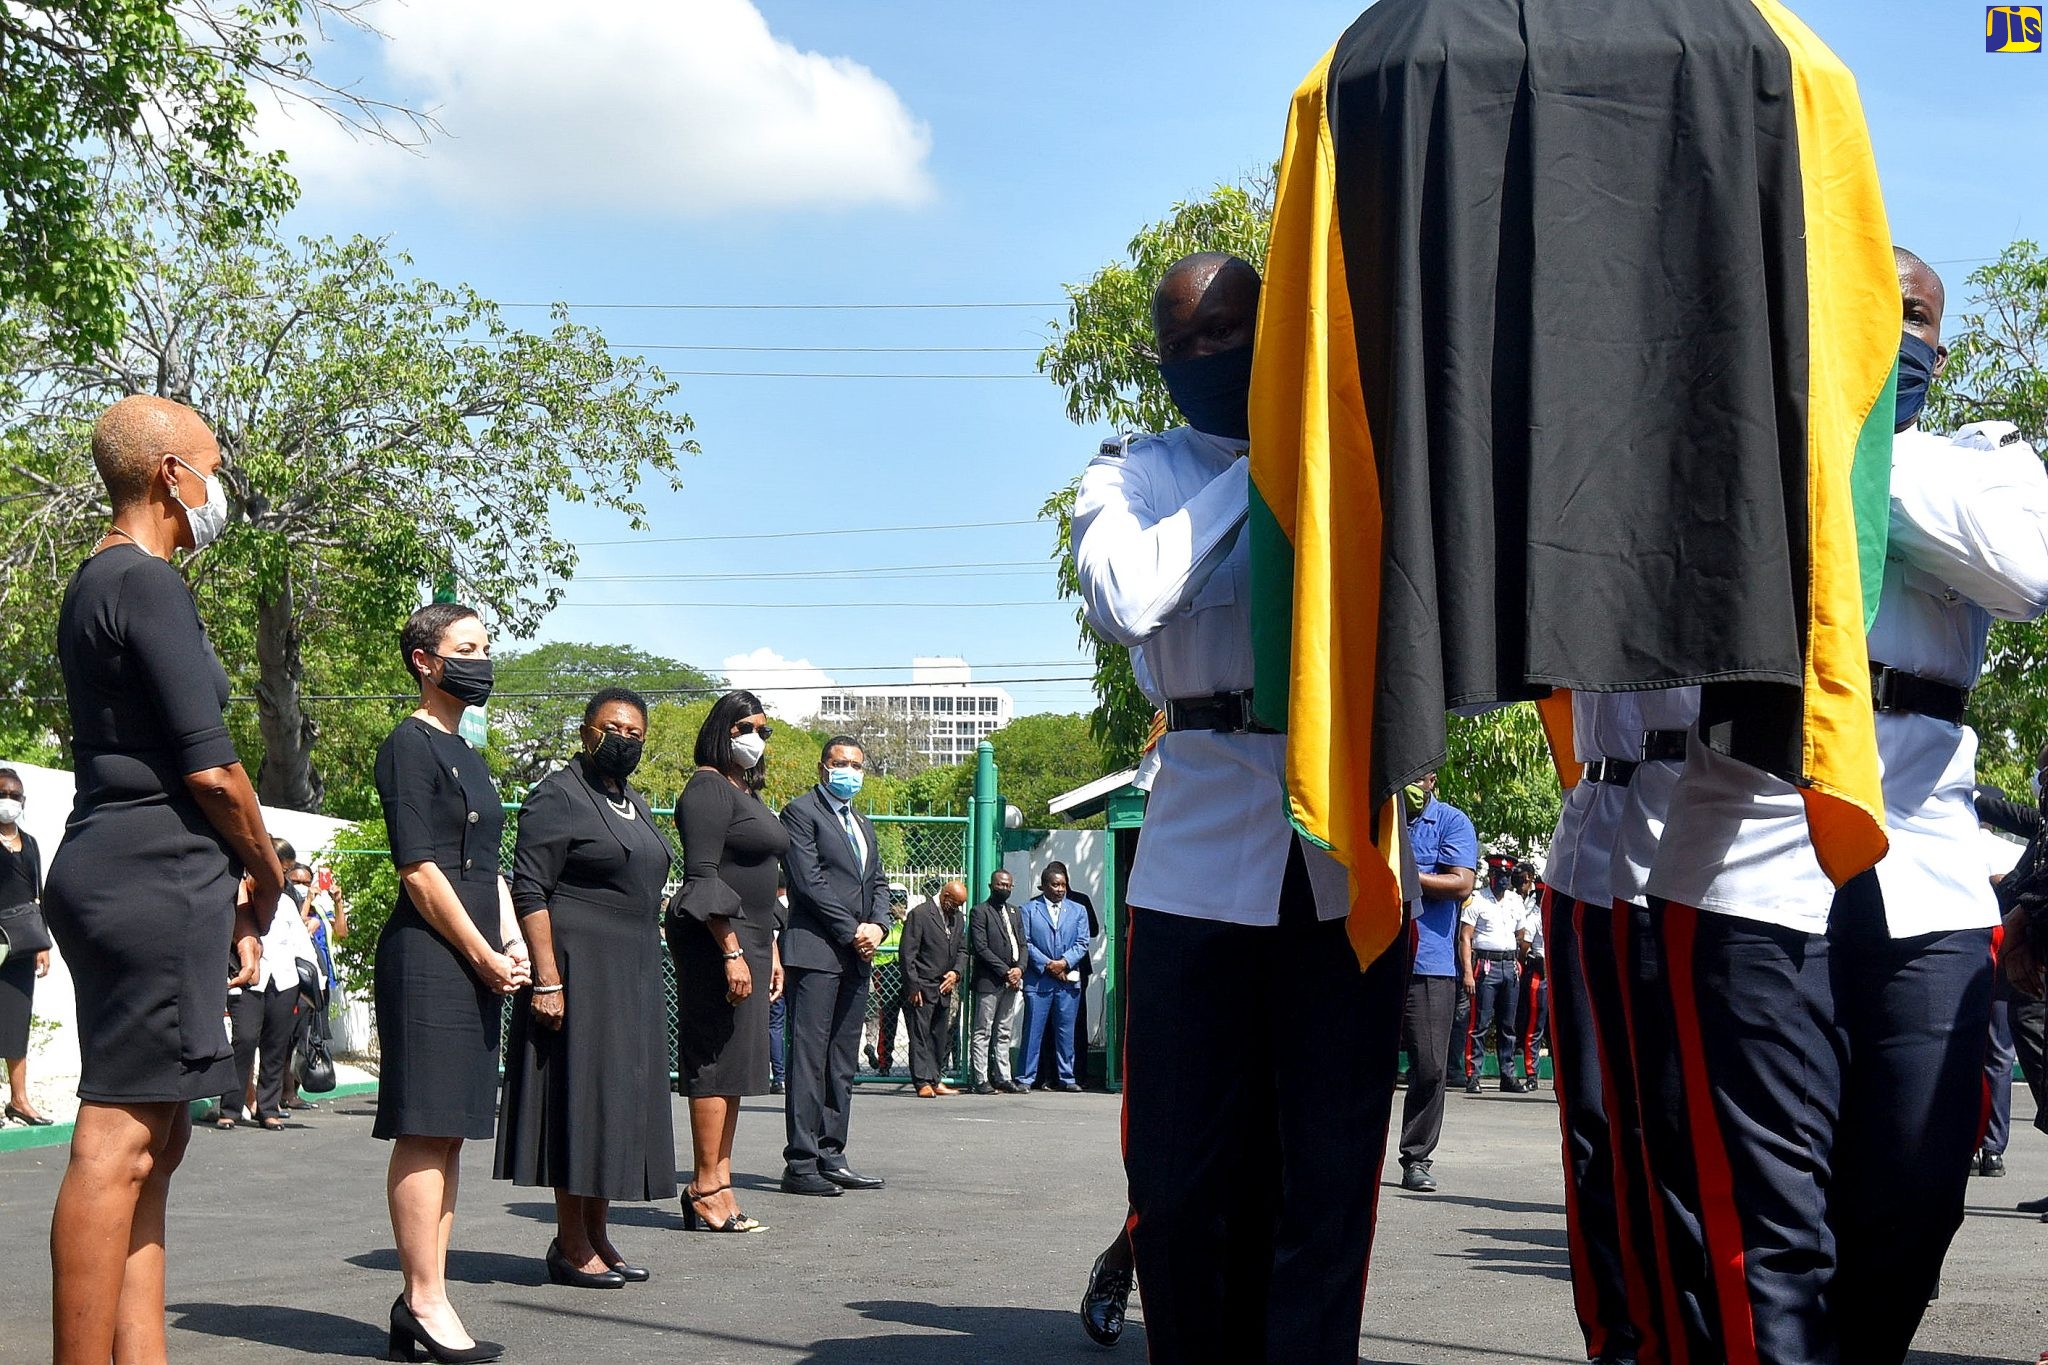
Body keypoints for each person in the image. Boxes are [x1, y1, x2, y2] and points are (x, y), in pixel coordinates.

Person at [1645, 249, 2048, 1365]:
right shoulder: (1726, 444)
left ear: (1941, 340)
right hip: (1750, 850)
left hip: (1919, 871)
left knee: (1916, 1195)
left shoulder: (1988, 462)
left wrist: (1833, 456)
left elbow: (2023, 569)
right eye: (1864, 313)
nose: (1892, 333)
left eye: (1911, 315)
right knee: (1756, 1228)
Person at [1071, 251, 1409, 1361]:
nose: (1208, 357)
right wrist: (1263, 464)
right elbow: (1127, 596)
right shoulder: (1132, 474)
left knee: (1327, 1172)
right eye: (1185, 343)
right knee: (1180, 1177)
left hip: (1337, 851)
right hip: (1198, 854)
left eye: (1231, 334)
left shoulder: (1361, 458)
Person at [43, 396, 286, 1365]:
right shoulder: (145, 585)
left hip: (144, 873)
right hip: (148, 876)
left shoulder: (101, 583)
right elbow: (214, 769)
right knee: (118, 1140)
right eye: (210, 467)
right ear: (165, 477)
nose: (216, 487)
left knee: (158, 1144)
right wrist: (266, 877)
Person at [372, 601, 529, 1364]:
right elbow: (420, 870)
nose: (483, 659)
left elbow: (484, 865)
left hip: (473, 960)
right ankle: (424, 1298)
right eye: (467, 647)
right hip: (429, 958)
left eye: (487, 646)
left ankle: (422, 1299)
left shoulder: (470, 750)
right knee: (424, 1125)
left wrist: (508, 940)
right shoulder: (408, 745)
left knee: (451, 1133)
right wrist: (478, 952)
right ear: (424, 660)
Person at [496, 687, 678, 1284]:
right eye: (611, 728)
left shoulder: (635, 801)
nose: (623, 739)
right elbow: (531, 892)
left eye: (634, 733)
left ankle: (599, 1234)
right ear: (585, 732)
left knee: (613, 1104)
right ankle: (570, 1243)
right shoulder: (558, 795)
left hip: (631, 977)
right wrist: (547, 979)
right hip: (576, 971)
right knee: (579, 1101)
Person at [665, 690, 788, 1232]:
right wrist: (733, 950)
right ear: (722, 730)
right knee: (714, 1062)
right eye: (744, 728)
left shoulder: (747, 792)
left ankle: (722, 1182)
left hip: (756, 940)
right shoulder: (707, 788)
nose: (754, 739)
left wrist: (771, 951)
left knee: (737, 1066)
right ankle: (704, 1186)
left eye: (762, 729)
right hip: (718, 940)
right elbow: (704, 876)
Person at [779, 735, 892, 1197]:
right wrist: (853, 929)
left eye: (857, 765)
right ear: (823, 767)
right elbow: (809, 882)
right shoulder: (801, 813)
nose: (850, 771)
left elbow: (879, 881)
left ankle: (832, 1153)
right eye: (841, 763)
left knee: (841, 1060)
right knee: (810, 1057)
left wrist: (879, 927)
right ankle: (801, 1162)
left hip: (858, 955)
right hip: (816, 951)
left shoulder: (861, 822)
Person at [1398, 773, 1478, 1192]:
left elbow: (1461, 882)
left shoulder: (1451, 821)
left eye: (1420, 773)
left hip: (1429, 964)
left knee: (1429, 1066)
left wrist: (1402, 876)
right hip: (1369, 957)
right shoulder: (1377, 814)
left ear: (1432, 778)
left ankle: (1415, 1158)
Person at [221, 836, 318, 1131]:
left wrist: (316, 982)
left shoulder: (287, 902)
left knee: (276, 1046)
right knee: (244, 1040)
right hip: (248, 981)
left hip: (284, 980)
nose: (284, 876)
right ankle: (230, 1108)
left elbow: (301, 944)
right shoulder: (238, 896)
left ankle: (268, 1108)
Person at [0, 768, 51, 1126]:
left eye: (14, 795)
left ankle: (19, 1100)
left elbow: (38, 895)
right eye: (2, 793)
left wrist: (43, 943)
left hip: (23, 943)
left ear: (23, 801)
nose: (8, 801)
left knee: (17, 1021)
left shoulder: (30, 843)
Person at [1460, 856, 1533, 1094]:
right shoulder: (1477, 899)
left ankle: (1508, 1074)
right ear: (1490, 876)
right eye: (1497, 875)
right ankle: (1473, 1075)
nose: (1502, 880)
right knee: (1479, 1023)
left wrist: (1518, 963)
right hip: (1486, 964)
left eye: (1505, 876)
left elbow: (1521, 935)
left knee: (1508, 1025)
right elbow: (1466, 937)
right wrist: (1468, 973)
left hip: (1509, 964)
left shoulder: (1514, 901)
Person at [1016, 866, 1089, 1092]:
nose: (1060, 889)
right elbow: (1025, 942)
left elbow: (1083, 942)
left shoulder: (1078, 910)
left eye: (1063, 885)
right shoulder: (1029, 909)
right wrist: (1048, 964)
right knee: (1033, 1032)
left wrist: (1064, 962)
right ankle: (1025, 1078)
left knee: (1066, 1032)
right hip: (1039, 981)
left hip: (1067, 981)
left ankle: (1067, 1078)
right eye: (1055, 885)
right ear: (1044, 886)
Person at [901, 878, 968, 1096]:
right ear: (945, 896)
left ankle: (935, 1078)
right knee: (920, 1035)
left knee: (939, 1035)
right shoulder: (920, 914)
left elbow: (963, 950)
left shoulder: (957, 919)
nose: (957, 909)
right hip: (922, 985)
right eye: (955, 903)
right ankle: (922, 1082)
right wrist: (913, 987)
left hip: (945, 986)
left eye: (960, 905)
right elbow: (907, 953)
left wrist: (956, 973)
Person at [968, 869, 1025, 1094]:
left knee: (1004, 1030)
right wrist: (1006, 972)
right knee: (983, 1030)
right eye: (1001, 884)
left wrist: (1019, 969)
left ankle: (1004, 1076)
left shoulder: (1015, 912)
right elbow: (981, 948)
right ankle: (980, 1078)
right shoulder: (980, 912)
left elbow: (1023, 944)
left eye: (1008, 885)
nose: (1005, 888)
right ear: (991, 886)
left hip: (1012, 981)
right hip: (989, 981)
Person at [1514, 867, 1547, 1085]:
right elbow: (1524, 946)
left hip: (1558, 974)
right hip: (1540, 972)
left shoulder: (1557, 913)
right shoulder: (1534, 917)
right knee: (1535, 1026)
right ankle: (1531, 1073)